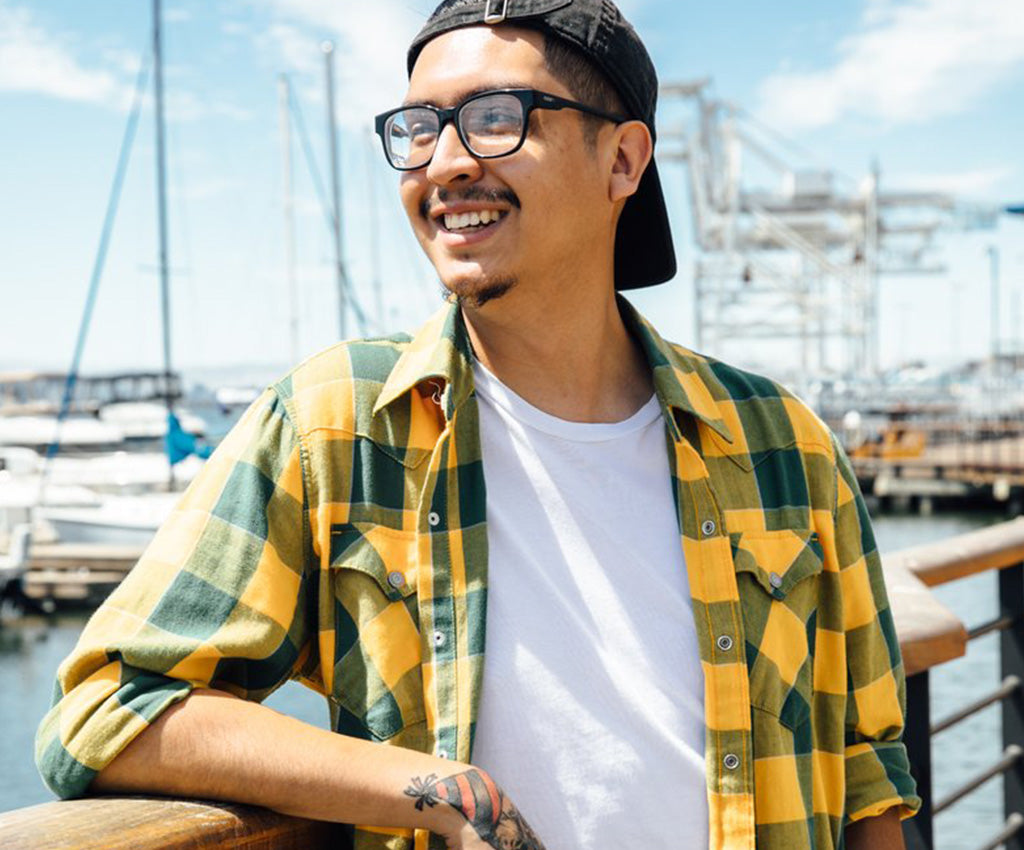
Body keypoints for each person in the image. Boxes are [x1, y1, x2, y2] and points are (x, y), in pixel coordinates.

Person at [36, 1, 920, 848]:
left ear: (623, 161)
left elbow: (870, 771)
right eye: (420, 128)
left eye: (498, 118)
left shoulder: (783, 443)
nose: (446, 162)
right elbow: (109, 711)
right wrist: (445, 794)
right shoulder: (338, 426)